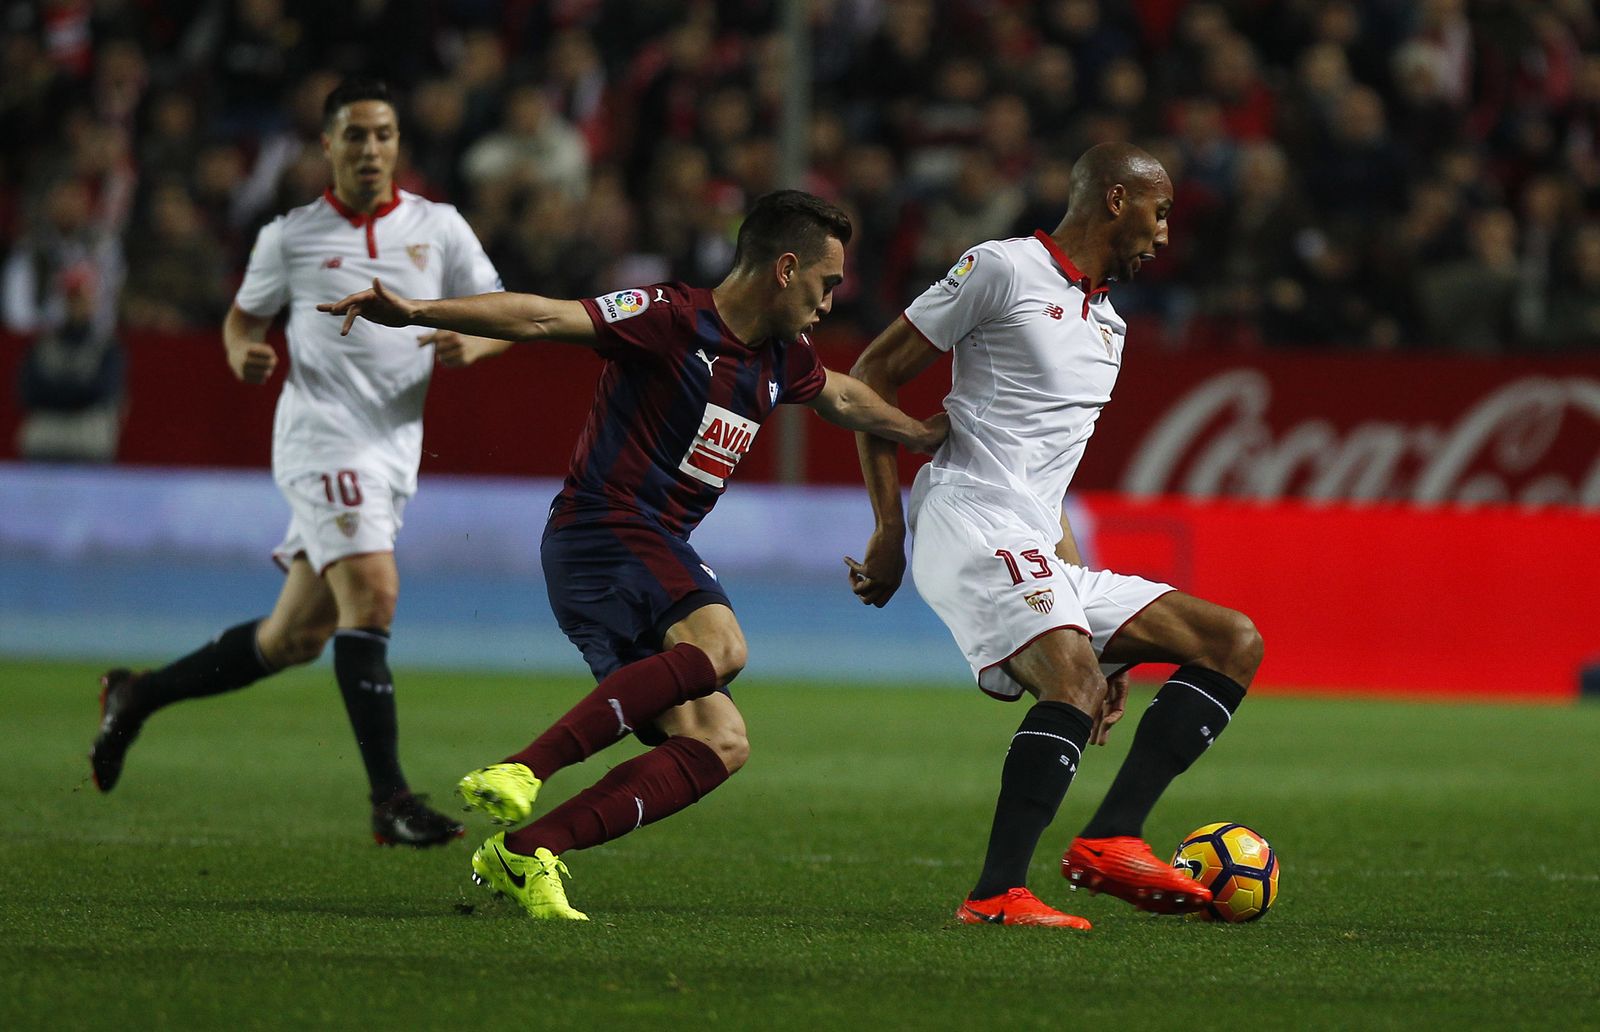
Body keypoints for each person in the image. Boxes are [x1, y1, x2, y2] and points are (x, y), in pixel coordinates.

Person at [321, 189, 947, 919]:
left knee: (720, 741)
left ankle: (526, 852)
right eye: (825, 282)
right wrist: (418, 311)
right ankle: (525, 768)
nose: (830, 302)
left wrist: (917, 433)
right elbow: (543, 316)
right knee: (722, 645)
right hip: (603, 528)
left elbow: (841, 397)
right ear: (785, 269)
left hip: (646, 554)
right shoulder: (669, 317)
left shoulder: (784, 356)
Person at [847, 142, 1264, 929]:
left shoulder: (1110, 325)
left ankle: (1112, 838)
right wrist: (888, 528)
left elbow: (1050, 484)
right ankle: (996, 894)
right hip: (968, 518)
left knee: (1230, 640)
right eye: (1160, 213)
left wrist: (1098, 636)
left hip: (1038, 538)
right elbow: (873, 371)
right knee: (1069, 677)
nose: (1165, 235)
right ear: (1116, 200)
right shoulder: (1001, 268)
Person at [90, 77, 510, 847]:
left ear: (397, 144)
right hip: (320, 439)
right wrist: (240, 354)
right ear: (328, 145)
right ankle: (390, 801)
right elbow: (241, 320)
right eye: (355, 135)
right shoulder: (290, 236)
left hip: (392, 450)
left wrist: (472, 346)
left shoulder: (440, 226)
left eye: (383, 134)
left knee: (294, 639)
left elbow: (499, 312)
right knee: (373, 593)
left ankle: (137, 696)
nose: (371, 149)